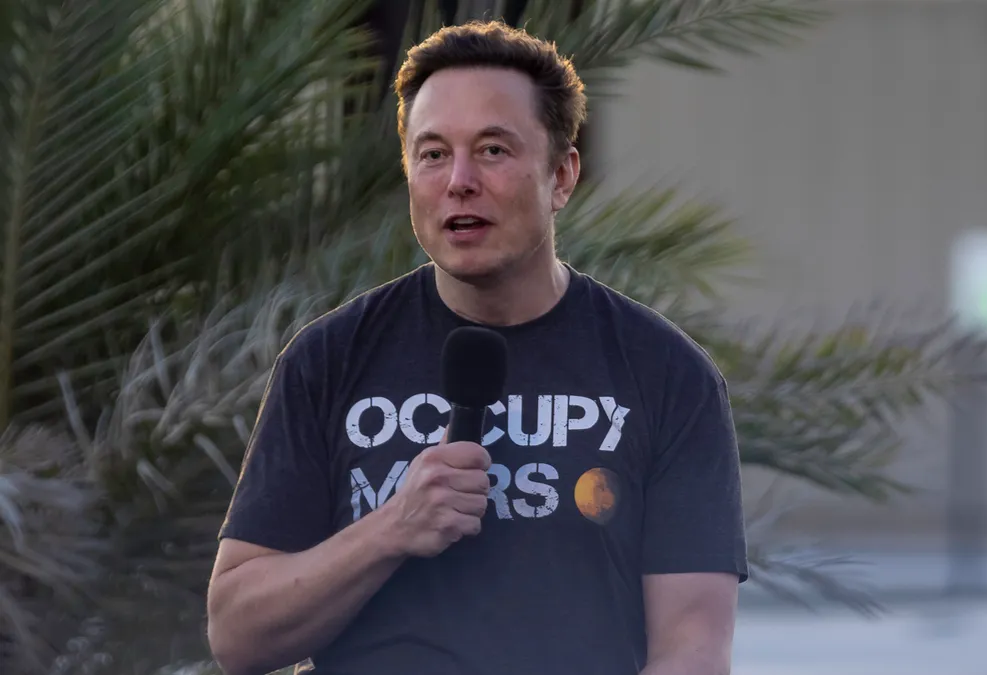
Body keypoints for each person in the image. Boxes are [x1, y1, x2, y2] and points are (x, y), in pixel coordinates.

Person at [205, 20, 748, 675]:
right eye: (433, 153)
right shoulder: (327, 360)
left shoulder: (666, 374)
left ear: (562, 176)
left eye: (493, 150)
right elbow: (236, 635)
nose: (459, 179)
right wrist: (393, 527)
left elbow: (691, 649)